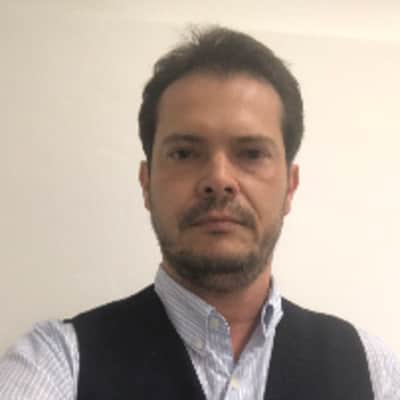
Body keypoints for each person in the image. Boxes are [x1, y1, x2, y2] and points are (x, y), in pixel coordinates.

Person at [0, 26, 399, 400]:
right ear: (146, 183)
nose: (219, 179)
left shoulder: (372, 369)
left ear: (290, 187)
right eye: (185, 153)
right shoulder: (58, 361)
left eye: (251, 153)